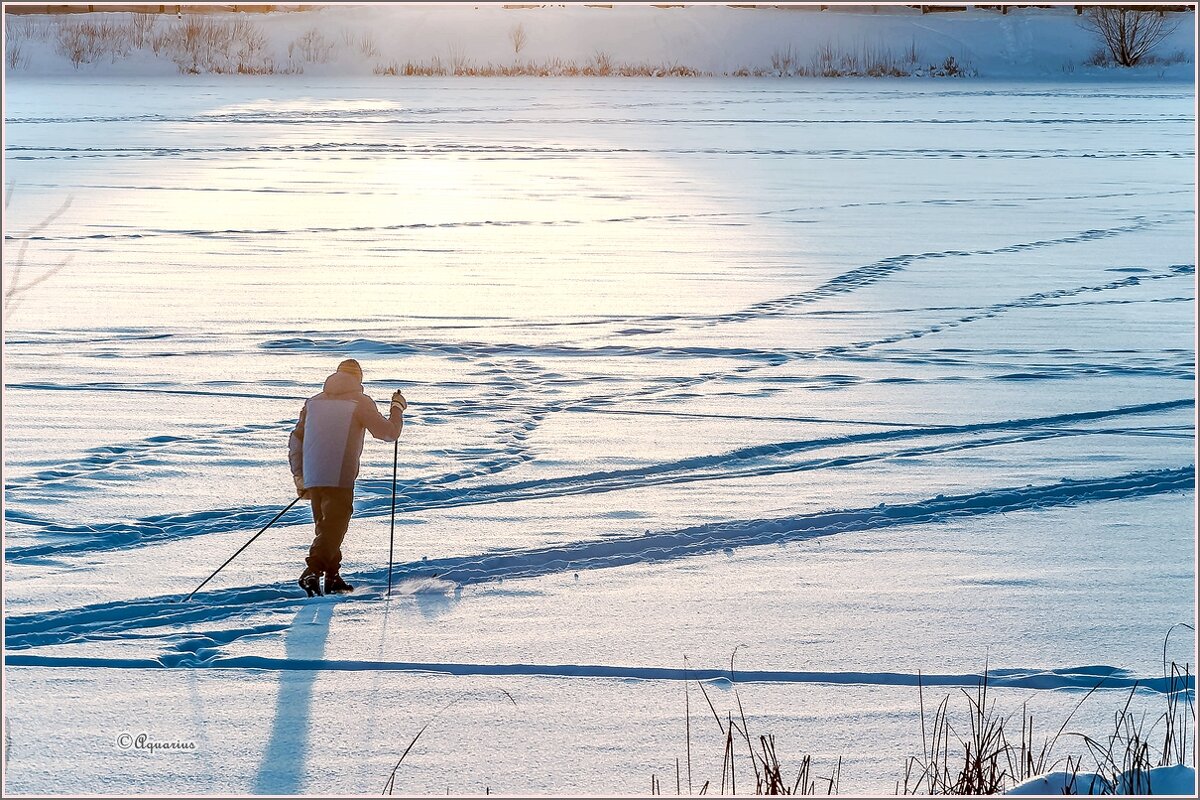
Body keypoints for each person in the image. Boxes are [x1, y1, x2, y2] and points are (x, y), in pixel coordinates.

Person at [288, 358, 406, 597]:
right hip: (339, 473)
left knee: (326, 529)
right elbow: (388, 433)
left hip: (313, 474)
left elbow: (296, 439)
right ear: (358, 378)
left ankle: (332, 577)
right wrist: (397, 408)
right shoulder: (359, 402)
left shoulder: (313, 402)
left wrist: (299, 475)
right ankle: (313, 571)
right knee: (335, 527)